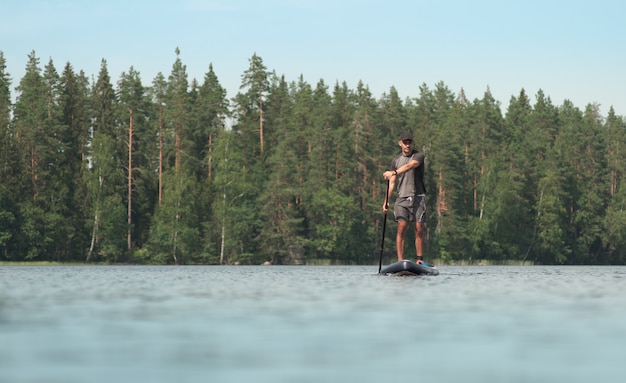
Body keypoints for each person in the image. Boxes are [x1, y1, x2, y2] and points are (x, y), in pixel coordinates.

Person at [382, 132, 427, 264]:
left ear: (412, 143)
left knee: (419, 229)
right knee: (402, 226)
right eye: (405, 142)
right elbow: (392, 183)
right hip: (401, 199)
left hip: (417, 197)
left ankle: (419, 259)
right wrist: (386, 201)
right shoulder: (395, 160)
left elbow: (409, 166)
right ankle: (400, 260)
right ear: (400, 143)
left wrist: (393, 172)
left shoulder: (418, 156)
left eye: (410, 142)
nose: (407, 145)